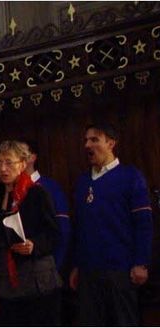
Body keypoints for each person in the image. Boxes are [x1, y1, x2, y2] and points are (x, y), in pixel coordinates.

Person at [70, 124, 152, 326]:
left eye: (94, 139)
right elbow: (79, 228)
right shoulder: (82, 182)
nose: (87, 145)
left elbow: (143, 223)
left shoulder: (130, 176)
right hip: (88, 271)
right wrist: (77, 265)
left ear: (111, 143)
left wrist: (141, 263)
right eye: (86, 140)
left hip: (120, 269)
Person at [0, 140, 61, 326]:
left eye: (9, 162)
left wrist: (34, 245)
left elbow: (53, 233)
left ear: (23, 164)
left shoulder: (36, 193)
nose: (3, 168)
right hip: (5, 277)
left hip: (36, 275)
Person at [20, 140, 71, 273]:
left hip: (47, 265)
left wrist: (57, 265)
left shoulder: (50, 187)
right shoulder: (9, 191)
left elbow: (62, 228)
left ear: (32, 157)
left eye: (21, 153)